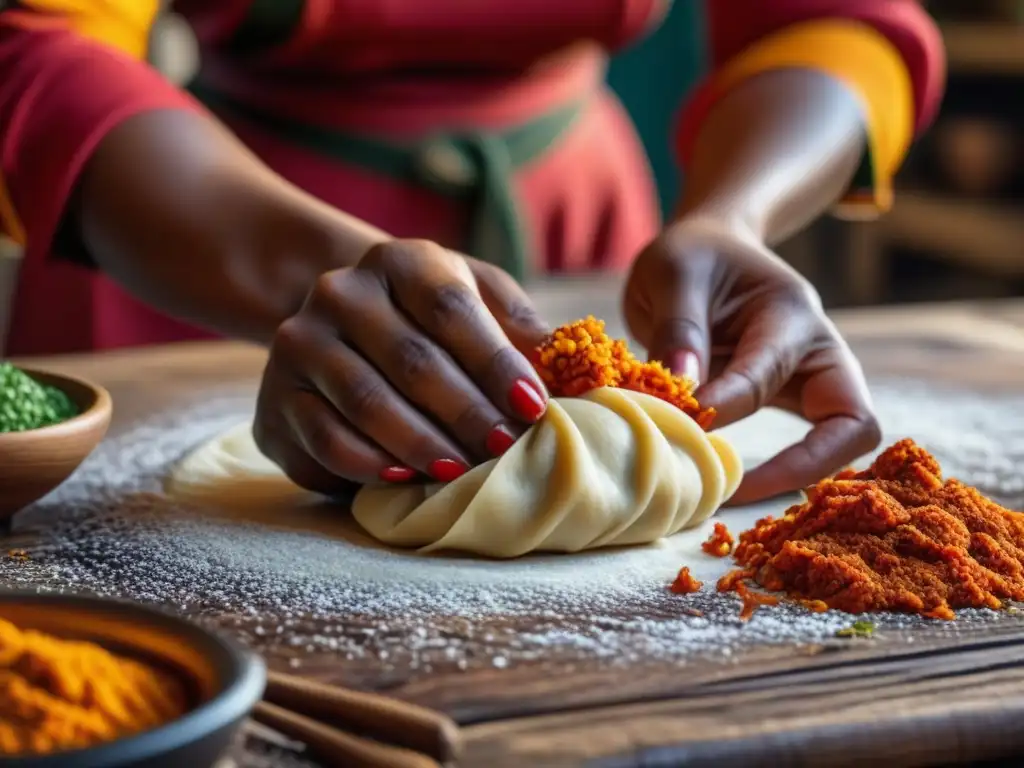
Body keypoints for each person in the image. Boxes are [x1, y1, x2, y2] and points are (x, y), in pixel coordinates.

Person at [0, 1, 944, 504]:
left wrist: (734, 217)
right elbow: (37, 42)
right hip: (204, 232)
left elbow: (829, 21)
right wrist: (310, 281)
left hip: (582, 231)